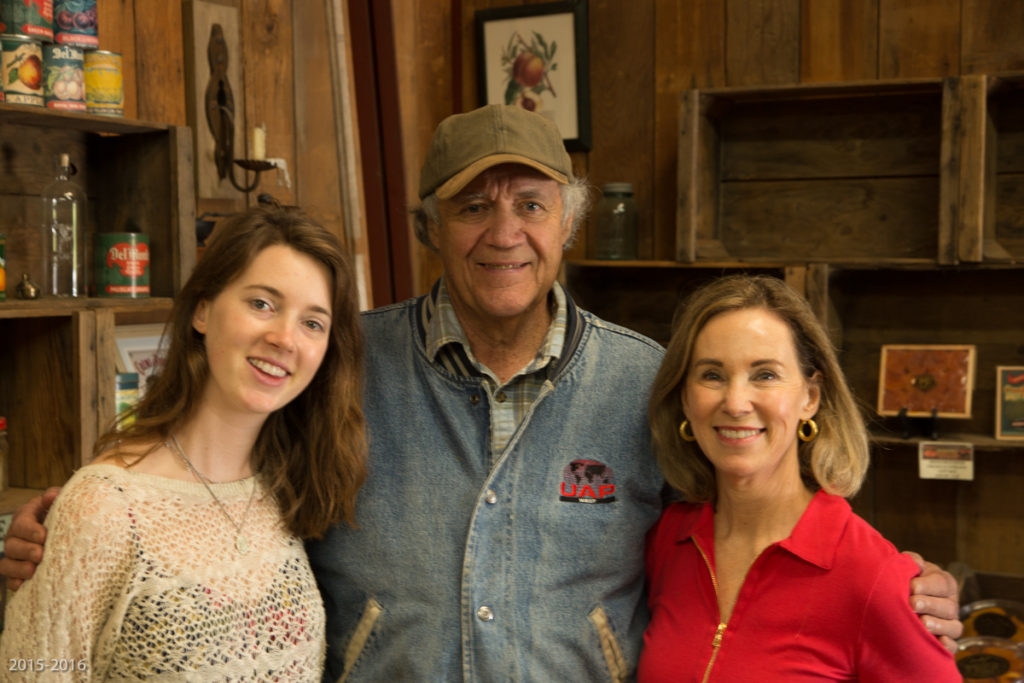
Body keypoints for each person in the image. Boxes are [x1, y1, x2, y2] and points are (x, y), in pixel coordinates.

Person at [1, 106, 961, 681]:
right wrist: (78, 521)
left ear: (568, 225)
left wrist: (891, 580)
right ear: (430, 224)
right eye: (473, 204)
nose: (504, 231)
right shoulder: (345, 362)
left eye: (531, 203)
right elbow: (212, 468)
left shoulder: (643, 382)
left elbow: (750, 514)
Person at [0, 205, 367, 680]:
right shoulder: (106, 507)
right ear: (203, 310)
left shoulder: (291, 485)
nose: (285, 339)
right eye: (261, 303)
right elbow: (32, 668)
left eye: (312, 323)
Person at [640, 274, 960, 681]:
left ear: (811, 396)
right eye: (712, 375)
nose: (736, 402)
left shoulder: (873, 574)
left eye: (765, 375)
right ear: (686, 397)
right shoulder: (668, 538)